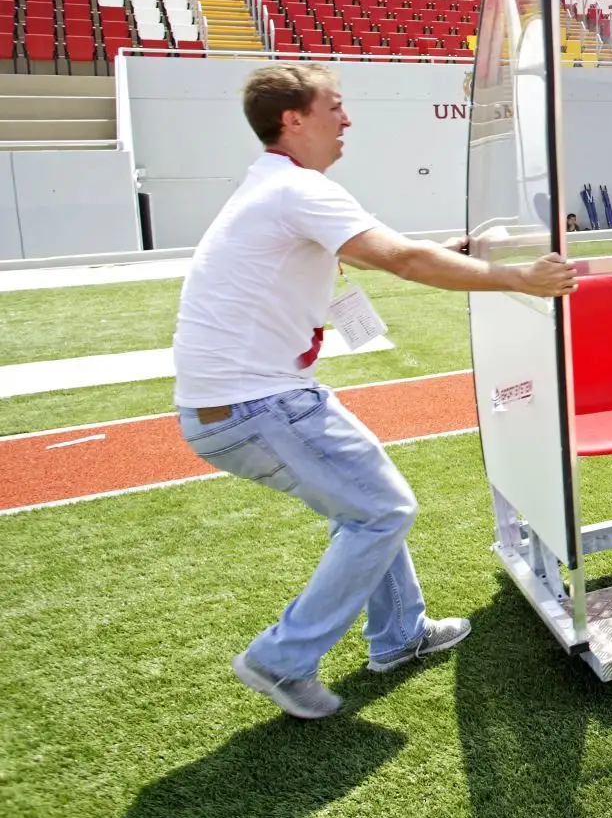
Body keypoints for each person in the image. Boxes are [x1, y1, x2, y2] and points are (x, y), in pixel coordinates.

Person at [172, 64, 576, 719]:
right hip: (259, 404)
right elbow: (401, 260)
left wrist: (453, 251)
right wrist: (519, 278)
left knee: (368, 506)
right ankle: (281, 658)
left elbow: (367, 253)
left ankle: (399, 635)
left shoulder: (274, 186)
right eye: (334, 106)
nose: (347, 119)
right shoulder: (299, 190)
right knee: (382, 511)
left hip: (244, 402)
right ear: (292, 120)